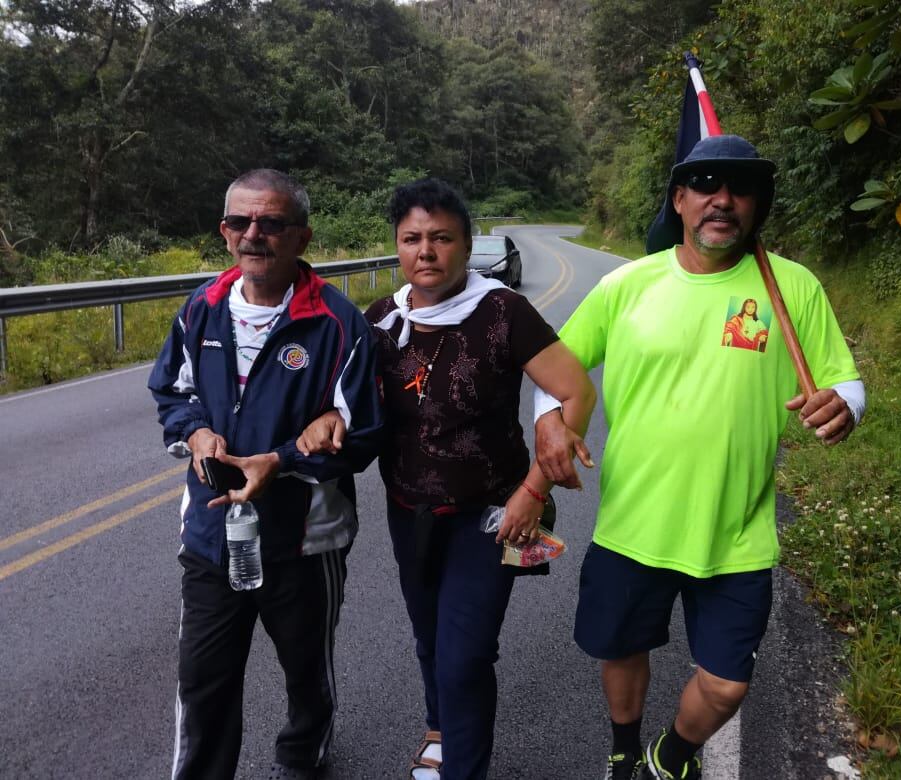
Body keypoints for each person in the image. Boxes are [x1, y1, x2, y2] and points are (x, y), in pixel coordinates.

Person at [533, 134, 866, 780]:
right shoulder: (627, 285)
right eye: (706, 184)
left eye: (740, 188)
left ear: (758, 205)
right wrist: (548, 420)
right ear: (679, 200)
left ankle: (673, 754)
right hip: (633, 524)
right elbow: (554, 370)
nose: (722, 199)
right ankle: (623, 751)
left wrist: (846, 406)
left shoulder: (791, 288)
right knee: (621, 650)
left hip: (736, 532)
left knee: (725, 685)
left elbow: (844, 380)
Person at [297, 177, 596, 780]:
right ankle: (439, 727)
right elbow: (346, 400)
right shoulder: (382, 319)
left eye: (441, 238)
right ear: (397, 246)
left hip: (493, 514)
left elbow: (576, 390)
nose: (426, 251)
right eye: (412, 239)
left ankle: (461, 765)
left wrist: (534, 488)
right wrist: (330, 416)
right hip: (408, 509)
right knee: (429, 634)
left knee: (466, 653)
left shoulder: (503, 312)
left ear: (465, 244)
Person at [147, 169, 383, 780]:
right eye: (240, 222)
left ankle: (303, 756)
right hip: (210, 534)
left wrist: (283, 460)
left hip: (304, 541)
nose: (254, 234)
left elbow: (363, 430)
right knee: (202, 679)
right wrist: (196, 432)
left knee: (306, 668)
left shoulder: (337, 323)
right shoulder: (200, 310)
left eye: (272, 223)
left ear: (302, 237)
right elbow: (173, 391)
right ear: (224, 232)